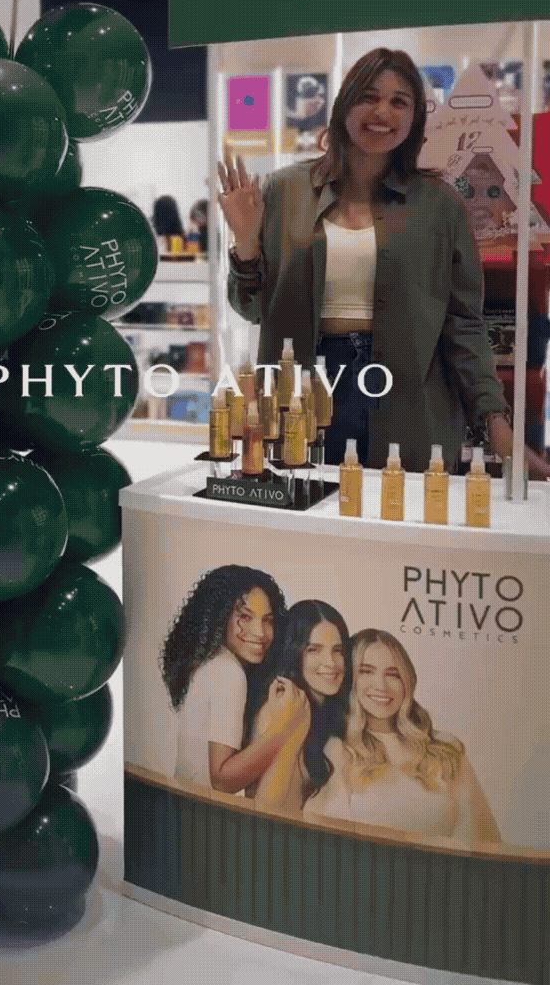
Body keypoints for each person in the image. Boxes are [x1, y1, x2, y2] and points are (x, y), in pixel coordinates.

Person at [218, 46, 549, 477]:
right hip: (302, 390)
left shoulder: (439, 205)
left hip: (408, 397)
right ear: (344, 105)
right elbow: (252, 309)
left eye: (399, 102)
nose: (382, 112)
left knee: (396, 509)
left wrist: (495, 421)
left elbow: (463, 324)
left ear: (415, 118)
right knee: (305, 504)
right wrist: (246, 243)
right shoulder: (285, 190)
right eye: (368, 97)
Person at [303, 629, 501, 845]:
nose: (381, 686)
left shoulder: (447, 747)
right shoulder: (334, 750)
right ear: (349, 679)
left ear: (407, 681)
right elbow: (319, 840)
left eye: (393, 674)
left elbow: (485, 843)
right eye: (366, 671)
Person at [160, 565, 309, 793]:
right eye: (245, 617)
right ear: (220, 618)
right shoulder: (229, 673)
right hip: (201, 809)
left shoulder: (215, 664)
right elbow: (222, 780)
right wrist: (284, 729)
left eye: (267, 620)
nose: (259, 632)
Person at [253, 600, 350, 817]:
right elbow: (270, 811)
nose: (331, 662)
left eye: (337, 651)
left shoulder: (329, 711)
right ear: (294, 652)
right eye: (313, 650)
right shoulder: (280, 707)